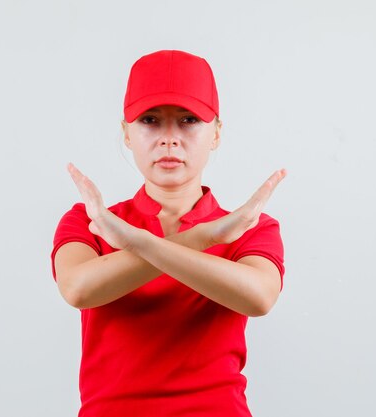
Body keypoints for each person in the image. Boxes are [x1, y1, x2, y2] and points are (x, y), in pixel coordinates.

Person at [51, 50, 286, 417]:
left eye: (189, 119)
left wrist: (135, 242)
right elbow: (78, 289)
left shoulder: (250, 225)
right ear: (127, 133)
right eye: (150, 120)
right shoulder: (90, 220)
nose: (169, 139)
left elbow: (258, 298)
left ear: (216, 133)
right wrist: (204, 237)